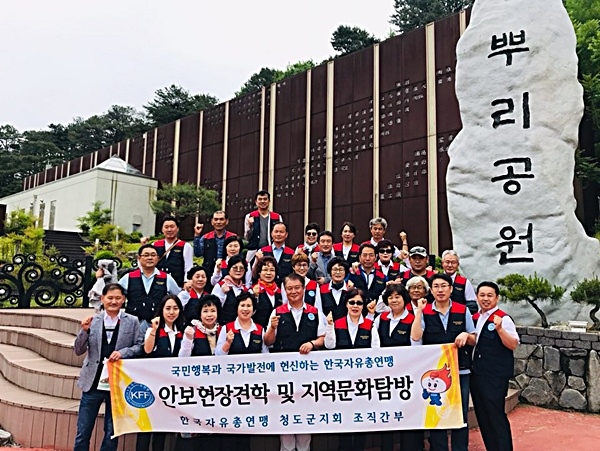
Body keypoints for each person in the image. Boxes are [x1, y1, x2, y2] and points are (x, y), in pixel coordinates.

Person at [73, 283, 143, 451]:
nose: (114, 301)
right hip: (92, 382)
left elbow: (140, 346)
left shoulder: (132, 321)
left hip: (117, 383)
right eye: (110, 298)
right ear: (102, 299)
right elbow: (78, 350)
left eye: (118, 298)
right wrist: (84, 331)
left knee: (112, 431)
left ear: (123, 299)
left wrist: (123, 353)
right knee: (83, 429)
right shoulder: (93, 321)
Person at [411, 273, 476, 451]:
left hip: (461, 370)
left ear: (451, 289)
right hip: (434, 374)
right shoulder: (425, 311)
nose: (440, 290)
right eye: (436, 286)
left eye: (444, 286)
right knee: (436, 413)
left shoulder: (462, 310)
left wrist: (466, 335)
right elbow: (415, 337)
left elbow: (474, 339)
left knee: (460, 414)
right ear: (431, 291)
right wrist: (419, 311)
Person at [264, 273, 327, 451]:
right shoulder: (277, 312)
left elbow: (323, 338)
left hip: (308, 373)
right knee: (285, 413)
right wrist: (272, 328)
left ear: (303, 289)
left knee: (305, 412)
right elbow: (268, 342)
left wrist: (312, 344)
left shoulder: (315, 312)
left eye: (297, 288)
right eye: (289, 288)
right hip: (283, 373)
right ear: (284, 291)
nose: (293, 291)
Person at [324, 288, 378, 451]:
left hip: (363, 381)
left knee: (361, 421)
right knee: (345, 421)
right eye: (352, 302)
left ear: (363, 305)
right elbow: (329, 346)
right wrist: (329, 326)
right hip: (343, 382)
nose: (355, 306)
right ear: (346, 304)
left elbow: (376, 351)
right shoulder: (337, 323)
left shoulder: (370, 325)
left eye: (359, 303)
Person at [371, 284, 422, 451]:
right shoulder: (381, 319)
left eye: (397, 297)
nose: (394, 300)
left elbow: (416, 344)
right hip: (385, 377)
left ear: (404, 298)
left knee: (408, 415)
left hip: (407, 377)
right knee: (387, 416)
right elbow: (374, 345)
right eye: (390, 297)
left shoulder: (413, 319)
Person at [216, 292, 269, 451]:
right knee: (230, 427)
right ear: (237, 308)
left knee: (246, 428)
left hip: (251, 387)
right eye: (242, 305)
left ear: (254, 309)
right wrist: (228, 343)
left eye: (249, 306)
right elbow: (217, 356)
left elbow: (265, 357)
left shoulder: (260, 330)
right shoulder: (227, 328)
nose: (245, 309)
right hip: (230, 386)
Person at [471, 282, 519, 451]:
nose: (485, 299)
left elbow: (513, 344)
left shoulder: (503, 319)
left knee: (495, 415)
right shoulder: (476, 318)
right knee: (483, 416)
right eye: (482, 295)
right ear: (477, 297)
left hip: (495, 376)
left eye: (489, 295)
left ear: (497, 298)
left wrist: (500, 329)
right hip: (477, 373)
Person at [137, 295, 184, 451]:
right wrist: (154, 330)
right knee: (145, 428)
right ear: (161, 310)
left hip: (169, 387)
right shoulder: (153, 329)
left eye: (175, 308)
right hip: (151, 385)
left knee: (161, 429)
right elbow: (147, 350)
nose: (171, 312)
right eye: (168, 308)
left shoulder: (181, 331)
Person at [177, 296, 222, 451]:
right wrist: (188, 339)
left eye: (213, 311)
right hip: (195, 387)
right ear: (199, 313)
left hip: (217, 388)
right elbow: (182, 358)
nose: (209, 315)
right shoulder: (192, 330)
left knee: (213, 431)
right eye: (205, 311)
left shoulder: (223, 330)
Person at [118, 244, 180, 333]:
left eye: (153, 255)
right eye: (146, 255)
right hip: (133, 324)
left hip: (157, 324)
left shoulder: (166, 278)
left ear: (158, 258)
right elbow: (116, 295)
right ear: (139, 258)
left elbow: (178, 298)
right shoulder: (128, 277)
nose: (150, 258)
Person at [193, 210, 237, 282]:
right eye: (216, 219)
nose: (218, 222)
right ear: (212, 222)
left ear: (227, 221)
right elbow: (198, 254)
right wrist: (197, 235)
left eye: (221, 219)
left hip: (228, 274)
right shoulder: (205, 237)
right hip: (208, 273)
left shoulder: (233, 237)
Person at [152, 216, 194, 289]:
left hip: (177, 285)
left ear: (177, 229)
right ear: (162, 229)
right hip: (157, 285)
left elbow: (188, 267)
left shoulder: (185, 246)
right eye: (166, 227)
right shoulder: (155, 245)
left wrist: (186, 283)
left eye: (172, 227)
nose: (169, 229)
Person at [244, 190, 283, 262]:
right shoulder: (250, 216)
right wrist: (251, 226)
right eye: (260, 199)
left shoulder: (277, 217)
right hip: (254, 250)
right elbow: (247, 237)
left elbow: (281, 235)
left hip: (272, 250)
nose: (262, 201)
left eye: (265, 199)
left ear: (269, 201)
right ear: (256, 202)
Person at [211, 254, 249, 325]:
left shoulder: (245, 290)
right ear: (229, 270)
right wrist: (222, 294)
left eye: (241, 268)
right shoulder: (220, 286)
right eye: (235, 268)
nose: (238, 270)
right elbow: (213, 308)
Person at [441, 250, 477, 314]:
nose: (450, 265)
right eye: (447, 262)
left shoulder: (465, 282)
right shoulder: (435, 280)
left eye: (453, 262)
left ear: (458, 264)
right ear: (442, 263)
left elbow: (472, 305)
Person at [316, 257, 351, 321]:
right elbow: (319, 311)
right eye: (335, 269)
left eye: (341, 270)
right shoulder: (321, 290)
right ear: (330, 271)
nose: (338, 272)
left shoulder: (350, 290)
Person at [252, 256, 283, 328]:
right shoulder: (253, 290)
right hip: (258, 330)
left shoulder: (279, 291)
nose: (268, 273)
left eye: (272, 270)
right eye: (265, 270)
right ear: (259, 272)